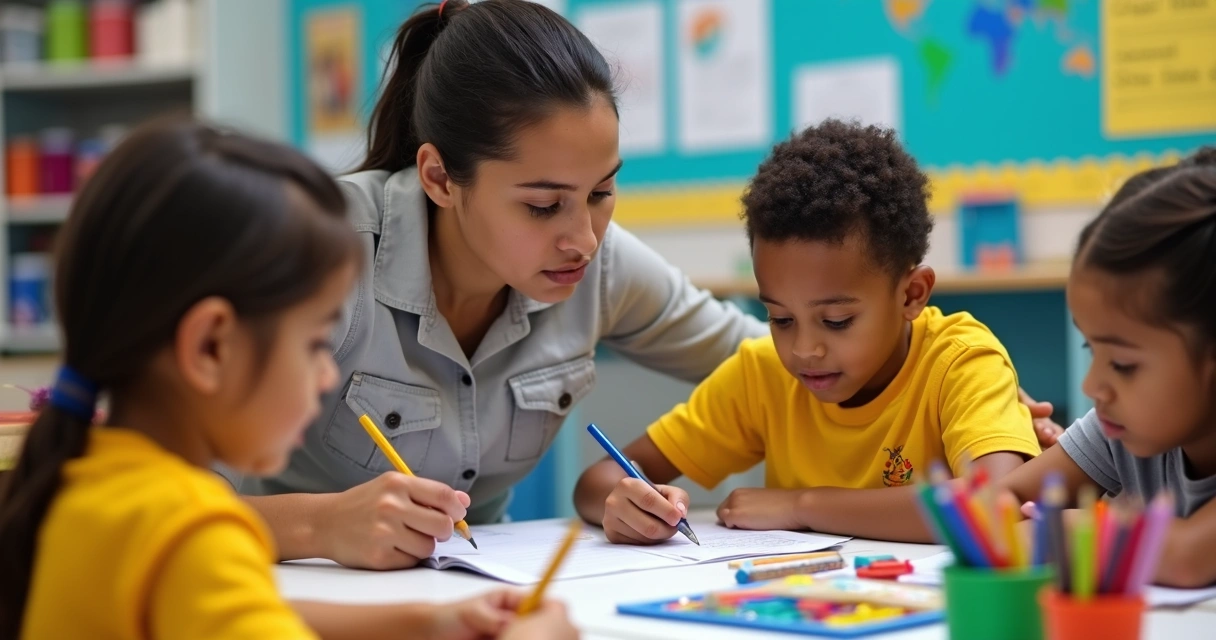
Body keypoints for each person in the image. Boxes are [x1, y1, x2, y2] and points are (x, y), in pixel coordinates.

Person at [233, 0, 1061, 570]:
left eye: (602, 191)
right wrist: (318, 524)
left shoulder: (598, 262)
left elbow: (778, 360)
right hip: (280, 589)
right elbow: (126, 496)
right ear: (441, 177)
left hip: (459, 597)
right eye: (544, 203)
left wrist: (948, 384)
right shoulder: (319, 251)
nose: (583, 236)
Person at [0, 120, 576, 640]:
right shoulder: (191, 535)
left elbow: (238, 611)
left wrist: (425, 622)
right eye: (313, 343)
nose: (328, 372)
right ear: (210, 347)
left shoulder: (84, 476)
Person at [575, 121, 1041, 543]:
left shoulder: (960, 361)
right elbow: (597, 480)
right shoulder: (763, 374)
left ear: (911, 294)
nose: (803, 350)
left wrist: (802, 506)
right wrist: (626, 501)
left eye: (837, 321)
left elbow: (992, 502)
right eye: (780, 319)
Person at [998, 148, 1216, 588]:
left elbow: (1186, 559)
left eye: (1122, 364)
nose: (1092, 384)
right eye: (1088, 347)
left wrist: (1078, 529)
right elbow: (1003, 499)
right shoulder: (1120, 430)